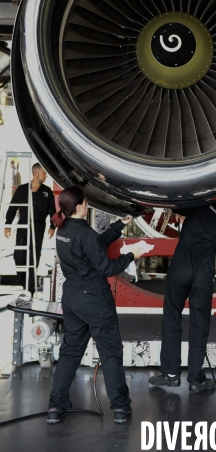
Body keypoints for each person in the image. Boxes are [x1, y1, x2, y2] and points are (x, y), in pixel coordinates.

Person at [47, 186, 140, 425]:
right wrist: (132, 256)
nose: (87, 205)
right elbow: (106, 267)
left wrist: (119, 225)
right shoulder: (84, 234)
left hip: (72, 298)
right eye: (86, 202)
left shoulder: (63, 229)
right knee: (110, 353)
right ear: (78, 207)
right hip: (95, 299)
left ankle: (56, 405)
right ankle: (120, 408)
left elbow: (94, 245)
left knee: (69, 352)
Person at [149, 194, 216, 393]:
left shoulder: (203, 204)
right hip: (204, 268)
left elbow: (175, 204)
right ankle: (196, 379)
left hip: (182, 263)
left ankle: (170, 374)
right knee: (200, 322)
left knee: (172, 315)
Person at [4, 163, 56, 294]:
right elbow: (12, 207)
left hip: (38, 228)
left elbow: (53, 211)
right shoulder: (22, 189)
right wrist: (7, 224)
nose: (46, 176)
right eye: (44, 173)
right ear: (36, 173)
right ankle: (24, 283)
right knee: (19, 256)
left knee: (33, 257)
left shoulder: (47, 191)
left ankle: (30, 288)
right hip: (23, 226)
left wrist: (52, 226)